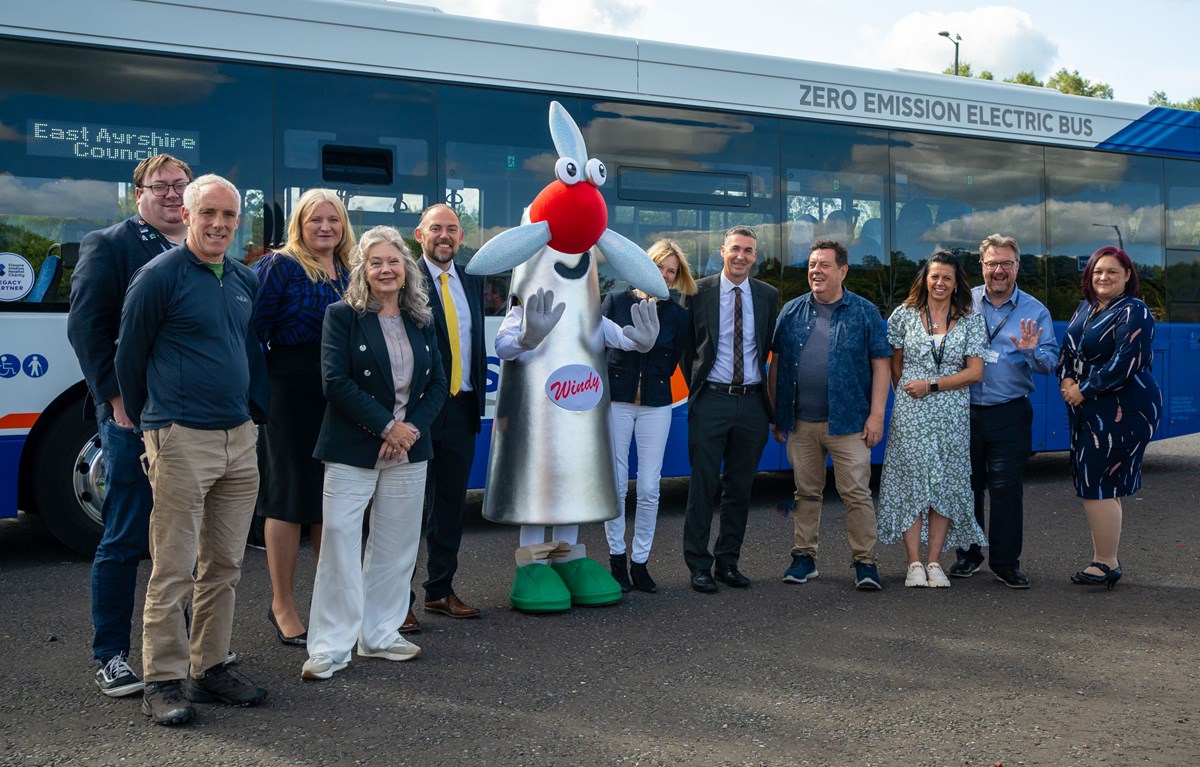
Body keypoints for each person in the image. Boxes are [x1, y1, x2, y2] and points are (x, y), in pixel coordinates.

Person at [115, 174, 269, 725]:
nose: (220, 225)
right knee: (174, 567)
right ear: (188, 214)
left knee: (225, 562)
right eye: (209, 214)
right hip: (181, 438)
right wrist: (152, 425)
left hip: (238, 439)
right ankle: (162, 680)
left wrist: (253, 415)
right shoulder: (158, 277)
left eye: (229, 216)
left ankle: (210, 669)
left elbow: (247, 352)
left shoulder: (243, 278)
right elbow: (128, 356)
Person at [67, 154, 193, 698]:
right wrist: (115, 399)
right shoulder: (110, 244)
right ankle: (111, 654)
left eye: (180, 186)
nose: (171, 195)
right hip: (133, 417)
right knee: (124, 535)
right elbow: (87, 330)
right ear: (137, 193)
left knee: (183, 539)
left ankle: (179, 648)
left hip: (193, 419)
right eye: (159, 187)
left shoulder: (201, 249)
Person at [301, 226, 447, 681]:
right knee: (341, 545)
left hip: (408, 450)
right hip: (353, 447)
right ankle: (329, 647)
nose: (386, 270)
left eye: (394, 261)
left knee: (396, 546)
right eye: (376, 263)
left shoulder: (423, 318)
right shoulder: (341, 316)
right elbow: (335, 383)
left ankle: (380, 634)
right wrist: (387, 426)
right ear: (363, 270)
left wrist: (408, 432)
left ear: (406, 269)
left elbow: (439, 384)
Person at [252, 189, 355, 645]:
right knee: (289, 497)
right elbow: (252, 330)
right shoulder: (281, 265)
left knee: (330, 500)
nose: (325, 227)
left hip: (339, 393)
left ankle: (326, 603)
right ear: (300, 224)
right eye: (316, 219)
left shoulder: (351, 270)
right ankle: (282, 604)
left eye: (334, 219)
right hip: (290, 389)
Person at [767, 240, 891, 591]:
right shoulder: (791, 311)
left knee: (856, 493)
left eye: (823, 265)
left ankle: (865, 563)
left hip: (849, 422)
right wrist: (778, 415)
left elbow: (881, 366)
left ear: (842, 271)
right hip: (802, 423)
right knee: (805, 492)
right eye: (811, 265)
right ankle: (804, 558)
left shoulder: (864, 312)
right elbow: (775, 365)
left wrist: (877, 416)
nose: (815, 271)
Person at [950, 234, 1058, 589]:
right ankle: (967, 555)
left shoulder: (1034, 310)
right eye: (992, 263)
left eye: (1006, 263)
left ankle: (1005, 562)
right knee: (966, 487)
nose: (999, 270)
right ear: (981, 267)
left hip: (1008, 412)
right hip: (963, 411)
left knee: (1006, 490)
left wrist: (1030, 351)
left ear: (1017, 267)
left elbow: (1051, 363)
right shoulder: (962, 303)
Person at [877, 251, 987, 588]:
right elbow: (895, 363)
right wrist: (911, 394)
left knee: (946, 482)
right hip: (912, 412)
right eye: (935, 276)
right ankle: (913, 563)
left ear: (957, 284)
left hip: (951, 413)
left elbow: (975, 372)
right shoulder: (905, 315)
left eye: (947, 278)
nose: (940, 283)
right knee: (911, 482)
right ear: (925, 279)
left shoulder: (970, 319)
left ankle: (935, 560)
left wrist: (932, 385)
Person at [680, 226, 778, 593]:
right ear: (722, 251)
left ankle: (728, 562)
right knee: (702, 487)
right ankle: (698, 566)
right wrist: (700, 387)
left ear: (755, 256)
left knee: (740, 489)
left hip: (752, 403)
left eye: (748, 251)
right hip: (712, 400)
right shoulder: (698, 291)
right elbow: (687, 348)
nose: (741, 256)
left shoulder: (767, 295)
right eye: (735, 249)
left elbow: (766, 346)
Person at [1058, 246, 1161, 590]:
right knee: (1103, 481)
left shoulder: (1135, 310)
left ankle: (1105, 563)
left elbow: (1125, 362)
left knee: (1097, 482)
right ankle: (1106, 557)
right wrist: (1066, 379)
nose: (1103, 277)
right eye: (1098, 271)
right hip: (1090, 407)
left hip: (1124, 408)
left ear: (1127, 276)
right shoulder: (1087, 307)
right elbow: (1068, 351)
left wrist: (1084, 389)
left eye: (1112, 272)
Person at [601, 239, 697, 593]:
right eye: (660, 267)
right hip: (618, 401)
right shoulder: (615, 301)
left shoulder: (678, 314)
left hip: (657, 405)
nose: (666, 275)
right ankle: (616, 559)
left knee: (649, 487)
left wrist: (653, 383)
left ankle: (640, 562)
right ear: (645, 265)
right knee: (615, 483)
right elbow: (603, 348)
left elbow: (672, 362)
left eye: (672, 271)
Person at [409, 203, 485, 632]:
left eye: (452, 229)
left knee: (450, 507)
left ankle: (440, 590)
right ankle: (399, 600)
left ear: (460, 237)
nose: (444, 236)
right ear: (420, 235)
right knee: (403, 510)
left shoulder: (471, 280)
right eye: (436, 228)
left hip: (461, 406)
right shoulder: (405, 277)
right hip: (419, 409)